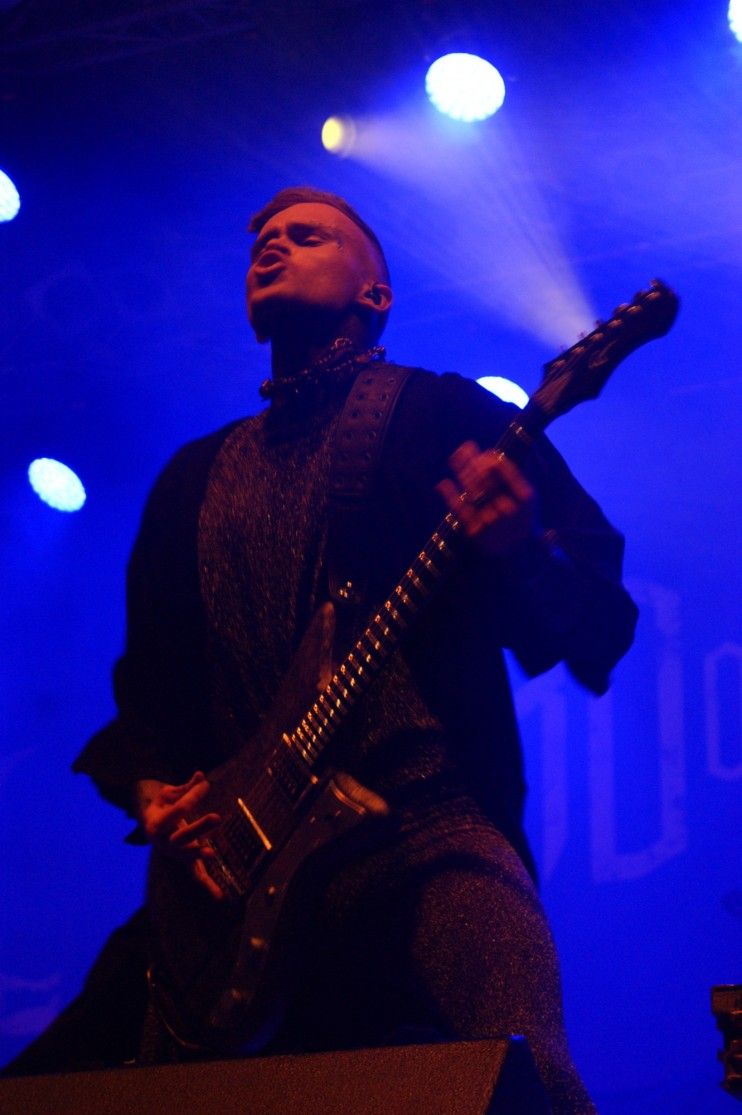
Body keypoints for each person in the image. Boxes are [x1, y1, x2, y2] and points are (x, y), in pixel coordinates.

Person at [4, 187, 638, 1111]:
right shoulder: (190, 478)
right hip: (234, 878)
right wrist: (155, 790)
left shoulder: (444, 413)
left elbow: (601, 625)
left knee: (526, 1074)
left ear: (375, 294)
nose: (272, 246)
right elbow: (150, 689)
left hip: (422, 830)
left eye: (307, 236)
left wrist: (522, 550)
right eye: (262, 239)